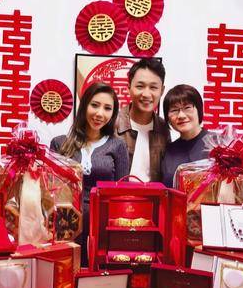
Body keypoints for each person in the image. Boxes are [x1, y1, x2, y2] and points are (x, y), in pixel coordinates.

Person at [50, 82, 130, 264]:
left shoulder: (118, 146)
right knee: (65, 272)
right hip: (65, 225)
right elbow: (50, 192)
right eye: (95, 105)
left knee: (98, 274)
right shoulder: (59, 144)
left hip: (102, 227)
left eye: (107, 108)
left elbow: (121, 195)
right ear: (84, 105)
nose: (100, 113)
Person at [115, 58, 170, 182]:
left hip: (153, 194)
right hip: (117, 193)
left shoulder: (163, 128)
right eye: (140, 86)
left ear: (162, 91)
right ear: (129, 87)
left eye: (153, 87)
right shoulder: (112, 123)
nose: (146, 94)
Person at [161, 84, 210, 188]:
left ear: (199, 110)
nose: (181, 115)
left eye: (187, 108)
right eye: (174, 110)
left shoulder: (218, 146)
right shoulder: (168, 152)